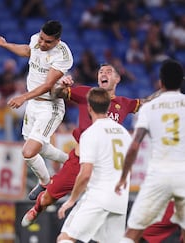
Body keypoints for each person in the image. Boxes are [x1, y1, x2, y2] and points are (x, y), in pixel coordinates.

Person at [21, 63, 149, 227]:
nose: (103, 74)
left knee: (105, 216)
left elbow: (146, 103)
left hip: (105, 167)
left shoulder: (124, 103)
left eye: (109, 72)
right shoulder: (86, 93)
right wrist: (61, 85)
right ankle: (37, 209)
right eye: (100, 71)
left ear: (117, 79)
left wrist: (167, 96)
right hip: (79, 162)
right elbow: (56, 93)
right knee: (47, 199)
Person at [115, 59, 185, 243]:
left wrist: (123, 178)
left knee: (132, 233)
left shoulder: (149, 108)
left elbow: (135, 145)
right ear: (183, 81)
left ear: (160, 83)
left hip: (159, 174)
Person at [0, 20, 73, 199]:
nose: (42, 44)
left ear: (57, 41)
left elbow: (48, 85)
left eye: (48, 42)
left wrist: (23, 97)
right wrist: (5, 45)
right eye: (42, 39)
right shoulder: (36, 40)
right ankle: (73, 162)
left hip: (49, 107)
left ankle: (46, 183)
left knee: (28, 151)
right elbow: (29, 51)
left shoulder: (62, 55)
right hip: (33, 104)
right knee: (38, 147)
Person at [56, 87, 132, 243]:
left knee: (66, 238)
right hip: (120, 199)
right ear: (108, 106)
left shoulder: (91, 134)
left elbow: (85, 174)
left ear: (89, 107)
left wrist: (72, 200)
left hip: (98, 196)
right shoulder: (124, 133)